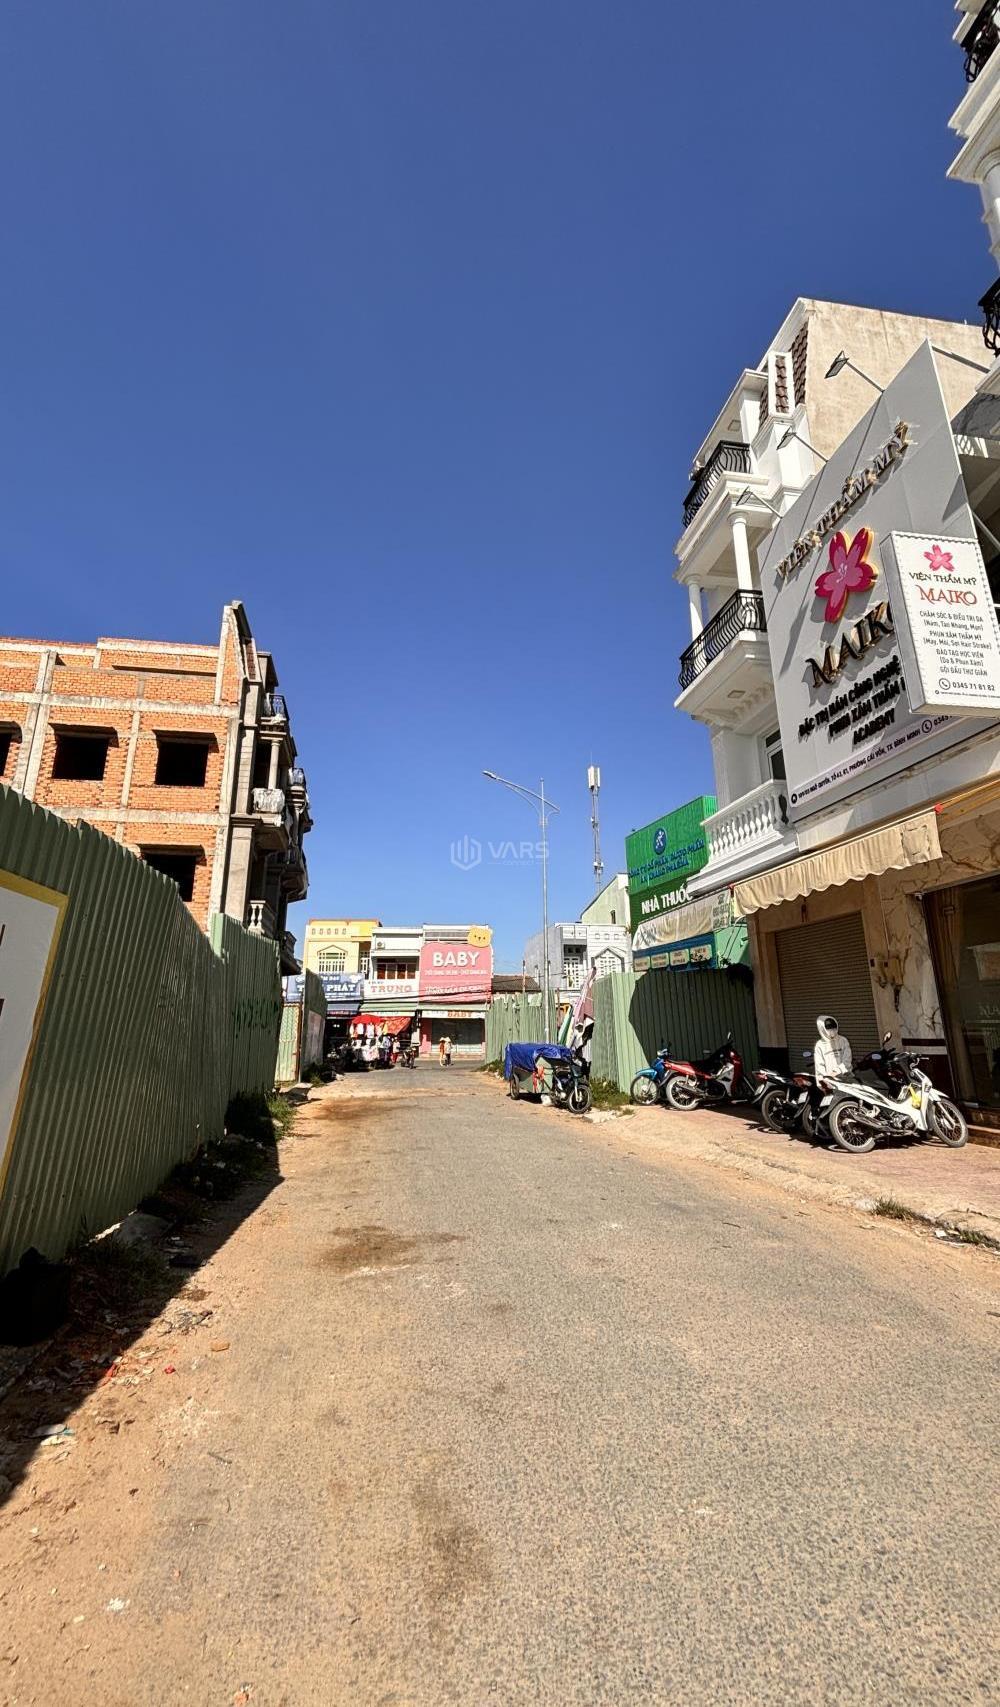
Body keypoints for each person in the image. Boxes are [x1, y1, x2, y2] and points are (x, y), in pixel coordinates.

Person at [813, 1014, 852, 1085]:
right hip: (829, 1081)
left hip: (846, 1078)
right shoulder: (820, 1045)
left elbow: (847, 1060)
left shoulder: (843, 1040)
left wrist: (837, 1071)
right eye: (828, 1027)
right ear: (822, 1028)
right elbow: (819, 1066)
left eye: (833, 1027)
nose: (832, 1030)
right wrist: (826, 1079)